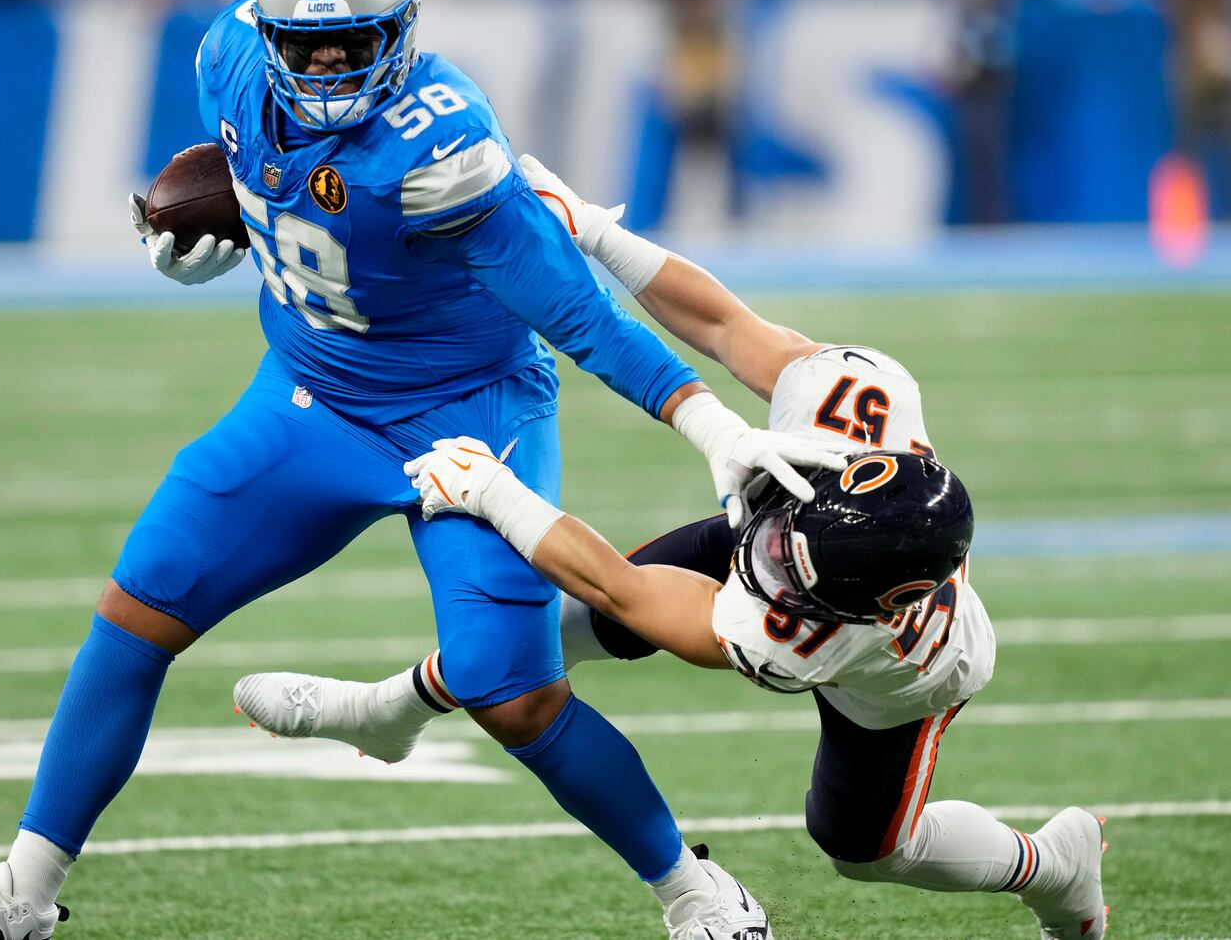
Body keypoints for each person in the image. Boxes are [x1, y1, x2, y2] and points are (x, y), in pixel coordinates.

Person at [0, 0, 830, 940]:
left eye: (350, 43)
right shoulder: (232, 57)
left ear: (401, 33)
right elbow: (264, 180)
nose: (324, 65)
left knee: (512, 692)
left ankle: (697, 892)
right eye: (304, 44)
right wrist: (220, 238)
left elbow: (574, 310)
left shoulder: (441, 140)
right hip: (310, 399)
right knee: (136, 611)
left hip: (466, 416)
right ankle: (18, 896)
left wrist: (709, 425)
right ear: (268, 34)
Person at [235, 162, 1110, 940]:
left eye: (791, 569)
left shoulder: (812, 633)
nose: (763, 560)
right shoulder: (861, 405)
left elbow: (622, 588)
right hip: (827, 547)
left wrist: (498, 494)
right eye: (780, 547)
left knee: (865, 848)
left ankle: (1053, 866)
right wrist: (595, 228)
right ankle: (392, 712)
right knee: (533, 644)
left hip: (892, 686)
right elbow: (728, 326)